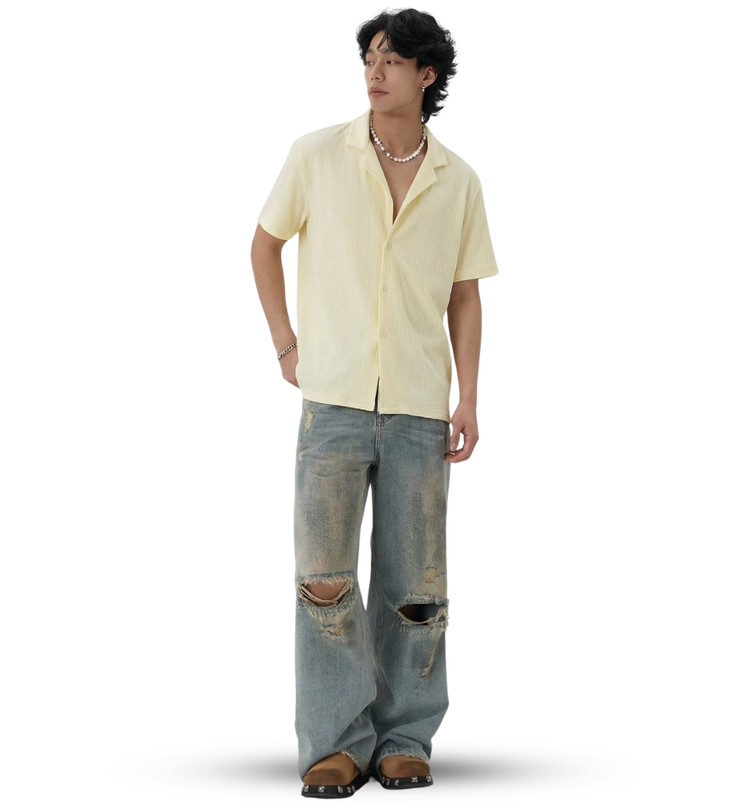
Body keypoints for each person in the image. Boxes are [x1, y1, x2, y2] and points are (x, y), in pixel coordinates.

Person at [251, 8, 498, 799]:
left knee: (415, 588)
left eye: (392, 59)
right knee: (323, 579)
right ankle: (333, 744)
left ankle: (404, 739)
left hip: (421, 407)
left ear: (428, 74)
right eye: (369, 57)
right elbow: (264, 244)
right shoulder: (316, 155)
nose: (374, 70)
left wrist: (468, 395)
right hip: (333, 402)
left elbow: (465, 295)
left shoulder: (458, 181)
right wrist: (286, 345)